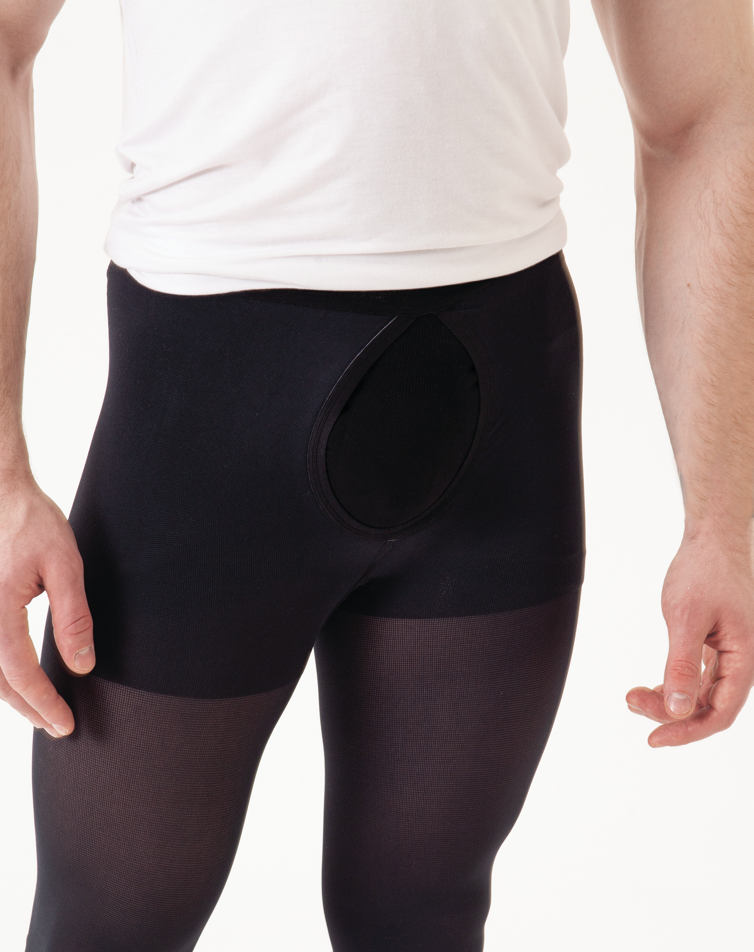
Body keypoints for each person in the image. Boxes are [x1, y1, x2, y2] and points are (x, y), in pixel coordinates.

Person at [1, 0, 754, 949]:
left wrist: (724, 520)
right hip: (202, 429)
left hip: (500, 420)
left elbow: (706, 114)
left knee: (423, 920)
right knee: (104, 930)